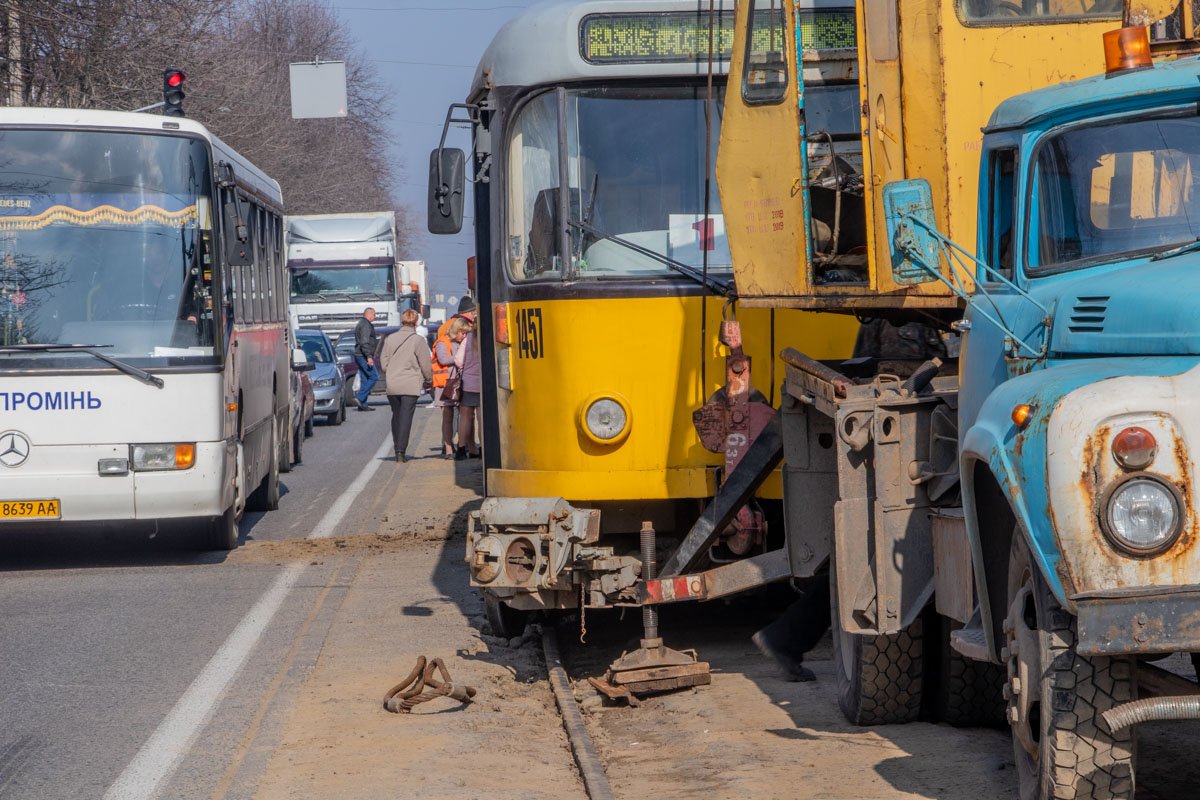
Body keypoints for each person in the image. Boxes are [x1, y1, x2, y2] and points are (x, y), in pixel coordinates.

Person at [379, 309, 433, 462]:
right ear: (416, 322)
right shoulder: (418, 340)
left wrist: (390, 370)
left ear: (401, 321)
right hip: (410, 383)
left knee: (396, 415)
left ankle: (397, 447)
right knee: (406, 417)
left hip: (393, 383)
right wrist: (429, 380)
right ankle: (401, 451)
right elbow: (425, 364)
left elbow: (383, 362)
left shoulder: (390, 339)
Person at [434, 316, 471, 458]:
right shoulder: (443, 343)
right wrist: (458, 358)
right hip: (447, 384)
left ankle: (464, 444)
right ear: (457, 331)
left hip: (459, 382)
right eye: (463, 333)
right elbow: (443, 359)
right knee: (447, 415)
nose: (465, 336)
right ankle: (448, 447)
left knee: (464, 414)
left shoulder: (461, 342)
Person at [454, 298, 481, 460]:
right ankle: (483, 448)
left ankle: (461, 448)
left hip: (468, 383)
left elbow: (458, 360)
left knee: (465, 417)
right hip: (482, 383)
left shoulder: (467, 339)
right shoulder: (486, 339)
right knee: (481, 418)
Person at [352, 307, 379, 411]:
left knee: (365, 378)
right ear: (369, 314)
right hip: (363, 355)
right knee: (374, 376)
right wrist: (369, 356)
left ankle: (363, 405)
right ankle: (360, 397)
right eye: (374, 315)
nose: (375, 317)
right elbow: (364, 342)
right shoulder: (365, 325)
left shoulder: (362, 323)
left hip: (359, 354)